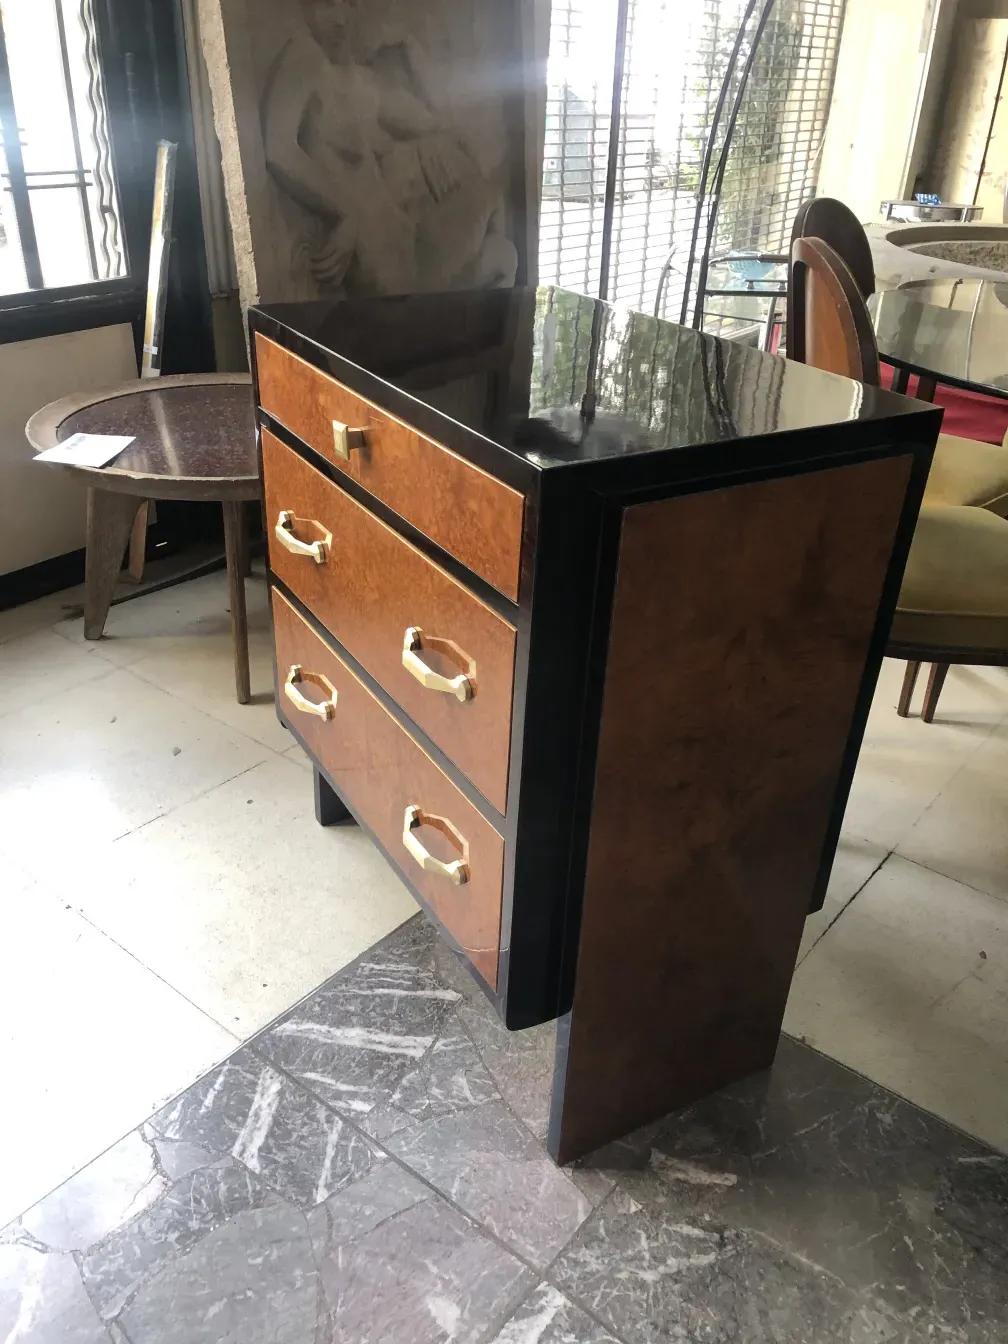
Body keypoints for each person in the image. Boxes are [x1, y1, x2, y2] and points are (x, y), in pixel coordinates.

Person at [261, 0, 518, 294]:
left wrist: (407, 44)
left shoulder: (361, 83)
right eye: (326, 5)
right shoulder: (302, 58)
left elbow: (438, 120)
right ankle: (465, 309)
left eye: (348, 4)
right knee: (496, 228)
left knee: (502, 251)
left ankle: (473, 309)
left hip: (409, 244)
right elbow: (278, 149)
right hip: (392, 274)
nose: (340, 19)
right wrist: (344, 214)